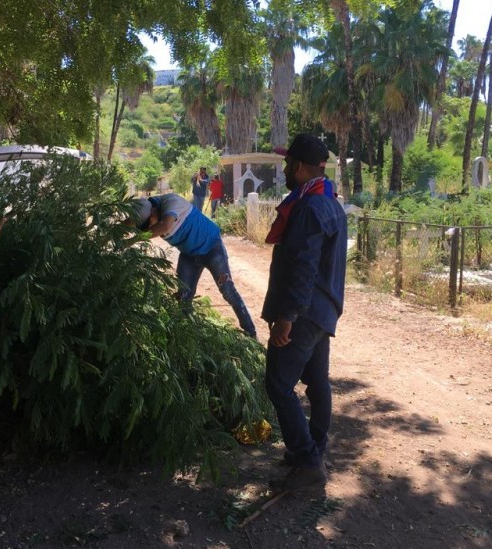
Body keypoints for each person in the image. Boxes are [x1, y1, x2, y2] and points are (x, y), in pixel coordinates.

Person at [263, 133, 347, 492]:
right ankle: (313, 449)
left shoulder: (309, 208)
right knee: (316, 383)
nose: (284, 170)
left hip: (304, 312)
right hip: (323, 310)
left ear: (298, 167)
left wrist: (288, 315)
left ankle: (308, 461)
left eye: (286, 164)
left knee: (278, 385)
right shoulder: (329, 203)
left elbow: (304, 265)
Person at [132, 193, 257, 337]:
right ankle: (192, 334)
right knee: (183, 298)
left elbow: (165, 226)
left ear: (153, 211)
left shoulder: (171, 202)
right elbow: (129, 222)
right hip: (189, 255)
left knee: (228, 291)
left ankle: (251, 333)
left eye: (147, 225)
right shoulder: (147, 210)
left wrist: (133, 239)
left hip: (212, 248)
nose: (148, 230)